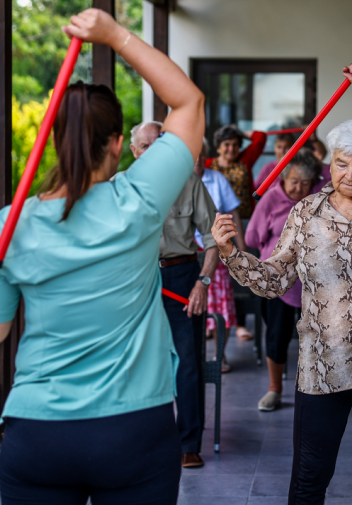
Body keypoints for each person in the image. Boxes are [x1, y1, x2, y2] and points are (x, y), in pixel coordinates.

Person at [0, 8, 204, 503]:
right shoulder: (139, 201)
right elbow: (188, 101)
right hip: (134, 430)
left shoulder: (13, 224)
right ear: (118, 145)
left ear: (55, 141)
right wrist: (114, 36)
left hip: (39, 432)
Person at [212, 60, 352, 505]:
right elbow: (274, 278)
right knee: (309, 477)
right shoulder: (305, 214)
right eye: (341, 164)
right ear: (328, 164)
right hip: (324, 364)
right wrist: (233, 256)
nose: (350, 176)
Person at [131, 121, 218, 469]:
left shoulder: (188, 182)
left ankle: (189, 442)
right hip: (138, 280)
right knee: (137, 362)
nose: (152, 152)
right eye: (145, 146)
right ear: (134, 150)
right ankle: (140, 439)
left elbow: (215, 241)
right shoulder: (122, 187)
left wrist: (203, 283)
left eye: (158, 144)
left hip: (183, 278)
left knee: (187, 363)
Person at [244, 149, 322, 412]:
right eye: (294, 181)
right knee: (276, 334)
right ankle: (274, 389)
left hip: (314, 280)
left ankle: (318, 388)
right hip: (277, 280)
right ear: (284, 178)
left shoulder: (319, 198)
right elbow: (252, 239)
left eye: (305, 183)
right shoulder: (271, 200)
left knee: (318, 335)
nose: (299, 188)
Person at [206, 124, 266, 341]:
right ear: (218, 147)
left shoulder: (244, 160)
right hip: (217, 228)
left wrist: (239, 131)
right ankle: (213, 322)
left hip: (244, 223)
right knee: (219, 277)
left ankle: (240, 323)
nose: (231, 149)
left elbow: (260, 138)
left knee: (241, 270)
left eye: (235, 144)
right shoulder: (207, 166)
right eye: (227, 144)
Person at [194, 138, 248, 372]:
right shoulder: (175, 181)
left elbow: (233, 212)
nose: (195, 160)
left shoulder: (216, 179)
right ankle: (194, 356)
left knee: (221, 306)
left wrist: (241, 245)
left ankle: (220, 356)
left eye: (199, 155)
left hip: (215, 250)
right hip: (186, 251)